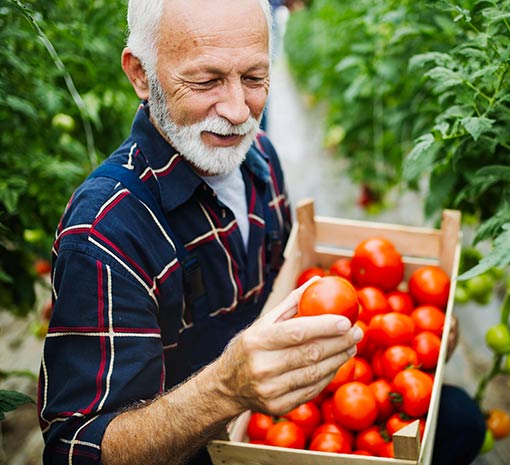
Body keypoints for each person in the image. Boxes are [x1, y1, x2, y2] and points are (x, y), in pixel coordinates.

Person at [38, 1, 484, 464]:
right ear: (140, 75)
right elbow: (75, 450)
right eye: (206, 80)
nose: (237, 111)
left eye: (254, 77)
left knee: (460, 421)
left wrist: (407, 340)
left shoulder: (259, 157)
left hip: (285, 424)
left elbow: (291, 287)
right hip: (196, 450)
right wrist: (224, 392)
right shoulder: (105, 231)